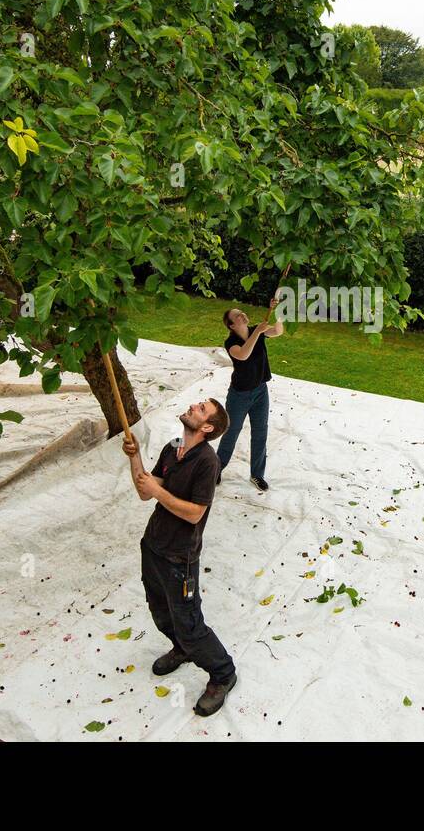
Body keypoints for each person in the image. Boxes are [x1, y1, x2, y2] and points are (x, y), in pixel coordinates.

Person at [121, 398, 237, 717]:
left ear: (208, 427)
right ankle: (183, 649)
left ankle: (224, 674)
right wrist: (134, 459)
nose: (192, 407)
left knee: (189, 623)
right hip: (153, 545)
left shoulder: (207, 463)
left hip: (179, 558)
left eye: (200, 409)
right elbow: (146, 490)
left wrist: (159, 493)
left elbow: (195, 513)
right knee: (159, 610)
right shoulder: (173, 449)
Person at [216, 302, 283, 491]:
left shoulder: (258, 332)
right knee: (231, 432)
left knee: (261, 432)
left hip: (261, 391)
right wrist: (257, 332)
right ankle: (216, 469)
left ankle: (257, 475)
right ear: (231, 325)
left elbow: (278, 331)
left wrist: (278, 309)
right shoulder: (231, 343)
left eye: (242, 313)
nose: (242, 315)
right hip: (240, 395)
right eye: (237, 316)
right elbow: (244, 355)